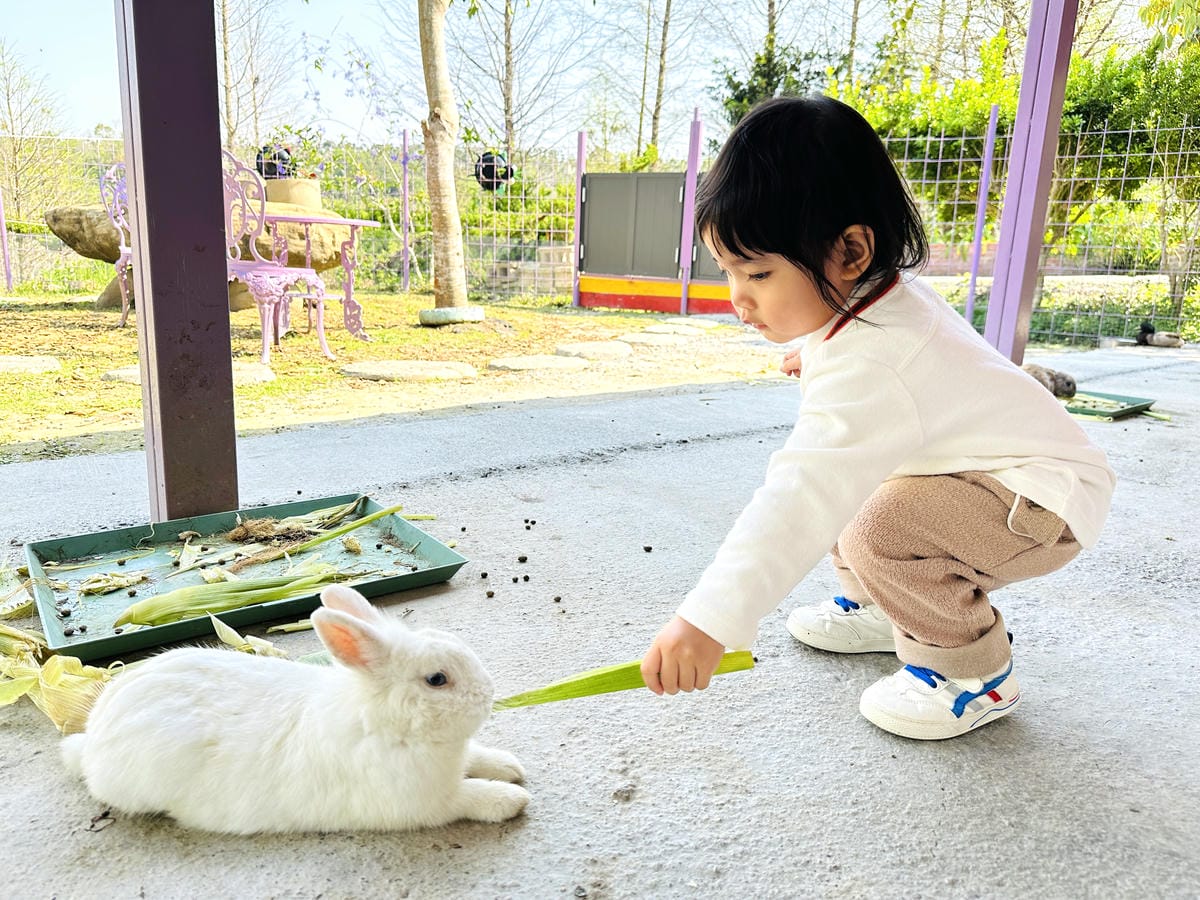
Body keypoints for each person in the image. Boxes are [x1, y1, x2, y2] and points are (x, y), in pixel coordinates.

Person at [639, 95, 1116, 740]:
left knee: (876, 520)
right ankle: (885, 606)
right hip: (994, 483)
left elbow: (800, 495)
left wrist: (709, 619)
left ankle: (973, 672)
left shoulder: (876, 358)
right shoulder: (876, 307)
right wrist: (816, 355)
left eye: (758, 273)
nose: (738, 299)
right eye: (728, 271)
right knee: (859, 484)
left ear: (851, 251)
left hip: (1042, 502)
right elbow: (897, 376)